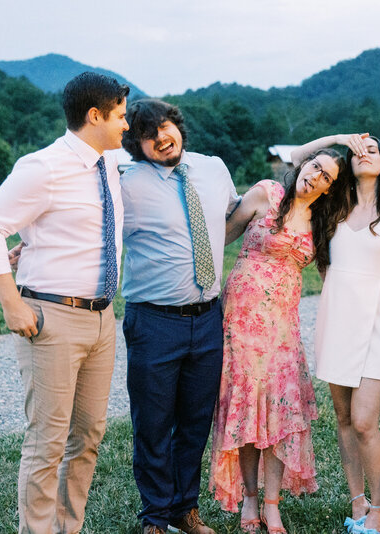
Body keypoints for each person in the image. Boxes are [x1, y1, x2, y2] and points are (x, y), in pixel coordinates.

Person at [0, 72, 129, 533]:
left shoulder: (109, 164)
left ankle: (67, 528)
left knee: (89, 437)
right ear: (94, 116)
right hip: (51, 318)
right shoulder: (43, 166)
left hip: (102, 319)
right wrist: (11, 303)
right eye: (119, 116)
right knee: (47, 443)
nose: (126, 126)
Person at [209, 149, 346, 533]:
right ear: (304, 164)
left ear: (330, 189)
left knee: (280, 413)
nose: (316, 176)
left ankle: (272, 504)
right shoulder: (267, 193)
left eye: (327, 177)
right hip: (241, 321)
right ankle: (249, 499)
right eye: (315, 166)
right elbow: (221, 237)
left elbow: (339, 268)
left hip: (283, 328)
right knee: (248, 411)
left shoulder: (322, 220)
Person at [120, 99, 240, 534]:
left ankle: (184, 509)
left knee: (194, 423)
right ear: (136, 145)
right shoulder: (126, 184)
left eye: (164, 127)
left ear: (177, 125)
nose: (160, 138)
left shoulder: (213, 168)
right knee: (152, 425)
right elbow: (87, 223)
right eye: (147, 136)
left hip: (208, 320)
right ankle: (155, 517)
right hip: (154, 322)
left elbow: (235, 213)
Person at [291, 133, 380, 534]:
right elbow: (297, 157)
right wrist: (340, 139)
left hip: (377, 318)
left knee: (364, 421)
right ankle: (357, 502)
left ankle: (379, 508)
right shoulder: (332, 206)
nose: (365, 154)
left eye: (373, 149)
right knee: (343, 418)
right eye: (357, 151)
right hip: (336, 316)